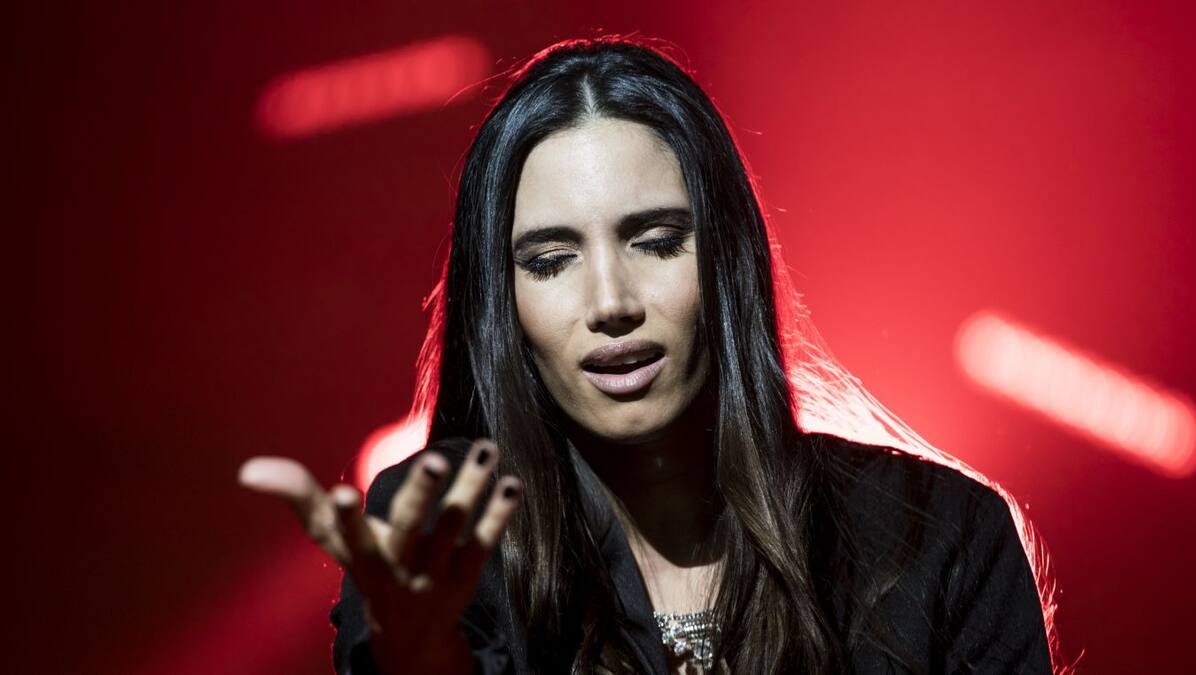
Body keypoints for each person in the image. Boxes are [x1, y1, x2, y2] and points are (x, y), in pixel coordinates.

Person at [239, 36, 1061, 674]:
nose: (611, 301)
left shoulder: (937, 541)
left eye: (657, 240)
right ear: (501, 305)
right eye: (550, 261)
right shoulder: (447, 551)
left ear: (728, 261)